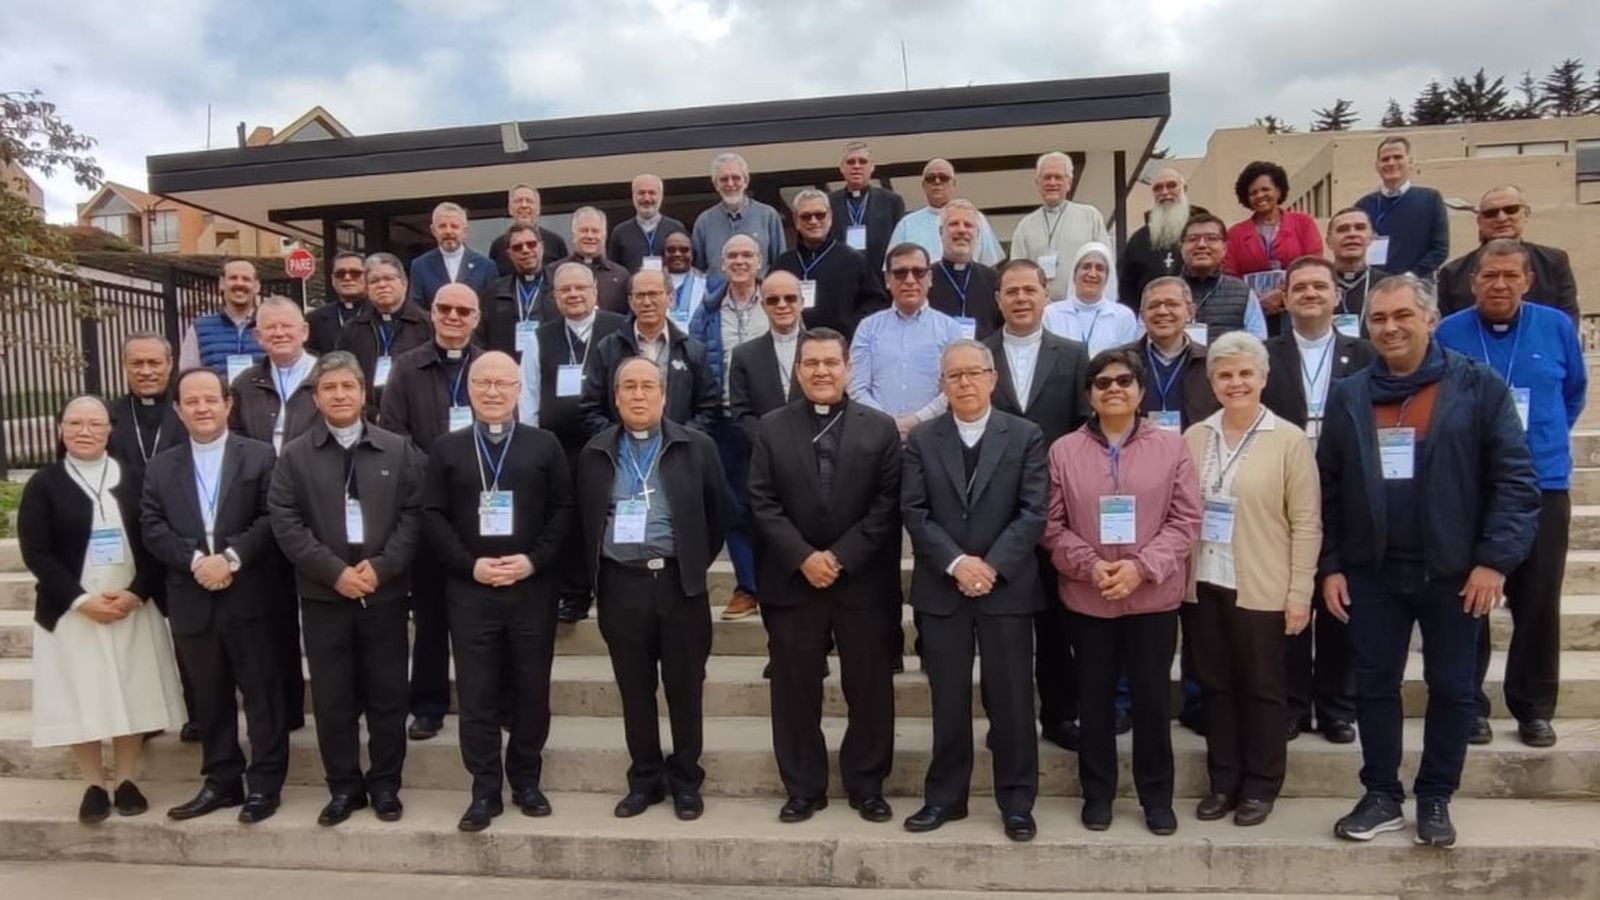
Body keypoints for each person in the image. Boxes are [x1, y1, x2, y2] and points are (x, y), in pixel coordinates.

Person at [1320, 274, 1539, 848]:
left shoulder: (1477, 387)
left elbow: (1514, 482)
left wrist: (1494, 561)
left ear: (1431, 320)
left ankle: (1436, 795)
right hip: (1372, 571)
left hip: (1454, 573)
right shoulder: (1349, 393)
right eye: (1378, 319)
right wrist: (1333, 564)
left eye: (1401, 317)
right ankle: (1381, 794)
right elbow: (1330, 485)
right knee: (1373, 686)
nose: (1389, 328)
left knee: (1452, 688)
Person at [1041, 349, 1201, 834]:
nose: (1114, 389)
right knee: (1093, 700)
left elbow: (1185, 519)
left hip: (1152, 596)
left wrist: (1140, 567)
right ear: (1089, 393)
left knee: (1152, 699)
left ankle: (1156, 797)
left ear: (1139, 389)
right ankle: (1098, 793)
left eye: (1124, 381)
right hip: (1088, 597)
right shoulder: (1063, 451)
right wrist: (1091, 567)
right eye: (1103, 382)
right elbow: (1051, 524)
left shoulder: (1171, 448)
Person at [746, 326, 901, 824]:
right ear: (797, 370)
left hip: (862, 583)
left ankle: (867, 784)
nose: (820, 371)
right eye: (810, 363)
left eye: (830, 363)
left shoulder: (879, 429)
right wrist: (803, 557)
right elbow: (762, 501)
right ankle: (803, 787)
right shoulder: (771, 427)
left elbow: (887, 505)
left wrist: (840, 557)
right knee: (794, 689)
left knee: (870, 687)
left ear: (848, 369)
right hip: (793, 582)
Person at [1435, 240, 1587, 748]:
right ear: (1474, 281)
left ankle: (1534, 706)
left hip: (1542, 482)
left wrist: (1534, 442)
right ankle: (1469, 704)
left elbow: (1573, 392)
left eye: (1509, 276)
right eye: (1488, 277)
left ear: (1527, 281)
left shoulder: (1556, 327)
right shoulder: (1452, 331)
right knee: (1467, 600)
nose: (1498, 285)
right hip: (1469, 484)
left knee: (1538, 599)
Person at [266, 352, 424, 826]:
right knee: (333, 699)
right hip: (324, 597)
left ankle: (385, 785)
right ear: (316, 397)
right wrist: (334, 571)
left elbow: (414, 515)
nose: (339, 395)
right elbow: (285, 520)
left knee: (388, 695)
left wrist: (381, 567)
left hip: (384, 594)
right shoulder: (295, 455)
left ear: (363, 394)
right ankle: (344, 788)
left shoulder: (397, 450)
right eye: (329, 388)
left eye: (347, 387)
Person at [901, 340, 1049, 842]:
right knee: (948, 700)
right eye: (954, 376)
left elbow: (1033, 512)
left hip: (1006, 589)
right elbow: (915, 512)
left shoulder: (1026, 435)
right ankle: (945, 797)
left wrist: (991, 566)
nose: (964, 383)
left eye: (973, 373)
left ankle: (1016, 801)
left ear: (992, 378)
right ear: (942, 386)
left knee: (1011, 700)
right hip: (943, 589)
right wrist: (959, 563)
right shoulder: (922, 441)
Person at [422, 352, 574, 831]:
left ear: (517, 389)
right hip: (471, 590)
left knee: (532, 688)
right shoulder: (446, 449)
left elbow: (564, 511)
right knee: (477, 692)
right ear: (468, 389)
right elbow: (432, 516)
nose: (492, 392)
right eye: (482, 383)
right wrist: (472, 566)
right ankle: (484, 790)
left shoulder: (544, 445)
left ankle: (526, 781)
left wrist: (532, 561)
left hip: (532, 588)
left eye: (502, 383)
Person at [19, 396, 187, 823]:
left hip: (130, 605)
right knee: (85, 696)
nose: (84, 431)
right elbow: (37, 552)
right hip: (73, 610)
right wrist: (80, 600)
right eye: (74, 423)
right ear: (61, 430)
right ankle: (94, 783)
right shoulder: (44, 484)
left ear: (109, 430)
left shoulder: (135, 478)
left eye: (94, 423)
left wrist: (136, 592)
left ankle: (128, 778)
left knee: (131, 690)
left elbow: (155, 539)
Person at [577, 356, 729, 821]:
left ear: (664, 395)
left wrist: (690, 566)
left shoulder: (696, 446)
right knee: (634, 688)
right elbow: (585, 519)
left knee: (684, 686)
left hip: (679, 585)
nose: (638, 395)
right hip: (622, 585)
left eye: (648, 386)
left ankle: (686, 779)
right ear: (615, 396)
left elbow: (719, 514)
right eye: (629, 387)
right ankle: (644, 778)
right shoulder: (595, 451)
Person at [140, 367, 290, 824]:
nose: (202, 408)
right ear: (179, 410)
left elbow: (272, 517)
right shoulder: (162, 465)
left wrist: (230, 558)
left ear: (229, 404)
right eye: (192, 401)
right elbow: (151, 524)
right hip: (192, 594)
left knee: (262, 693)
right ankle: (222, 780)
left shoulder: (262, 456)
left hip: (251, 593)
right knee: (209, 695)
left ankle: (265, 785)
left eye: (211, 399)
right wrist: (195, 562)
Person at [1184, 331, 1320, 828]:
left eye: (1245, 373)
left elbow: (1306, 521)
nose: (1235, 382)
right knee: (1215, 686)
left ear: (1263, 378)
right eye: (1225, 374)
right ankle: (1223, 782)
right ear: (1212, 381)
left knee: (1262, 687)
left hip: (1262, 582)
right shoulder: (1195, 437)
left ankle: (1261, 786)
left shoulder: (1288, 439)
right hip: (1203, 582)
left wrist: (1299, 591)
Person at [1261, 257, 1376, 744]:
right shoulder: (1266, 354)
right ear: (1284, 298)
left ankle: (1336, 706)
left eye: (1319, 286)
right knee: (1289, 598)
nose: (1309, 293)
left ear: (1336, 296)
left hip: (1345, 490)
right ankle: (1291, 703)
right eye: (1299, 286)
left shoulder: (1365, 354)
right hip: (1281, 491)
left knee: (1339, 600)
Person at [984, 259, 1091, 751]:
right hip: (991, 511)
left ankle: (1060, 713)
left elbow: (1081, 428)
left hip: (1054, 510)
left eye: (1030, 289)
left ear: (1046, 296)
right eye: (1012, 291)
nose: (1022, 298)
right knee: (998, 626)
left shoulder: (1072, 354)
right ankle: (1003, 719)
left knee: (1054, 619)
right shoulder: (978, 355)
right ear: (999, 298)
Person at [380, 282, 484, 741]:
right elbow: (394, 434)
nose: (454, 317)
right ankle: (427, 703)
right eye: (445, 308)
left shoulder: (490, 365)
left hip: (483, 507)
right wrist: (442, 472)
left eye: (464, 310)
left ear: (477, 317)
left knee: (481, 614)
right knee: (429, 613)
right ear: (433, 313)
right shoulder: (406, 367)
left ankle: (487, 698)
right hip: (426, 507)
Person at [106, 332, 194, 740]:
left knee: (189, 635)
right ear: (124, 366)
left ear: (170, 364)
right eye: (136, 364)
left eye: (153, 363)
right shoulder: (108, 417)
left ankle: (197, 712)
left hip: (180, 540)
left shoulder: (189, 410)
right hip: (125, 544)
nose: (146, 371)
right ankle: (143, 718)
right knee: (135, 638)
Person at [530, 263, 629, 624]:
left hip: (609, 441)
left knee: (610, 515)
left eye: (580, 288)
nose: (573, 294)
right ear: (555, 297)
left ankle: (612, 591)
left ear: (595, 291)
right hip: (559, 447)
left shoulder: (620, 327)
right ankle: (573, 594)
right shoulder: (540, 336)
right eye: (564, 290)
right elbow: (528, 395)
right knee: (569, 520)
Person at [690, 235, 769, 621]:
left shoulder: (777, 302)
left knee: (778, 503)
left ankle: (778, 582)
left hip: (770, 421)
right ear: (722, 264)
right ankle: (747, 586)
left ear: (760, 261)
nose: (739, 261)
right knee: (734, 507)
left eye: (747, 255)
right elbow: (694, 362)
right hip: (723, 421)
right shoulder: (706, 310)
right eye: (732, 255)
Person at [582, 269, 720, 436]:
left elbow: (709, 407)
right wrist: (618, 440)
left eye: (654, 294)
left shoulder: (692, 351)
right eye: (640, 295)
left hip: (679, 451)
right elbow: (591, 408)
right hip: (622, 452)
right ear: (631, 302)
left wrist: (682, 439)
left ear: (671, 299)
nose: (647, 302)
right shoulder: (607, 349)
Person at [849, 242, 964, 439]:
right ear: (887, 279)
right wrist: (886, 423)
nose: (910, 280)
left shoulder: (950, 329)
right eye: (900, 273)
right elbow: (856, 387)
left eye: (918, 272)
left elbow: (954, 385)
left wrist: (917, 420)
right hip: (876, 436)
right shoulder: (867, 328)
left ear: (929, 278)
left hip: (934, 435)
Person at [1437, 185, 1579, 323]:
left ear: (1525, 214)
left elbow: (1568, 319)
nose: (1502, 218)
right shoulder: (1452, 273)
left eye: (1511, 210)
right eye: (1491, 213)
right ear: (1480, 221)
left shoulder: (1553, 262)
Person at [1223, 161, 1321, 336]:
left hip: (1297, 308)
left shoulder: (1303, 223)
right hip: (1253, 312)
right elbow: (1230, 275)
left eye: (1265, 189)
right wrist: (1256, 301)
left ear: (1278, 190)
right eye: (1253, 193)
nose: (1260, 195)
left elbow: (1314, 264)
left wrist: (1282, 295)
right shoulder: (1235, 233)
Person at [773, 188, 885, 339]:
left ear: (830, 217)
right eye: (806, 216)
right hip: (793, 347)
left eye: (820, 215)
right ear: (796, 221)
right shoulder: (783, 265)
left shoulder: (853, 259)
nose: (814, 221)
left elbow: (875, 303)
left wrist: (852, 327)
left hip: (841, 346)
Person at [339, 253, 433, 416]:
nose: (382, 285)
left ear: (404, 283)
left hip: (418, 414)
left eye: (389, 278)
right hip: (367, 417)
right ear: (367, 288)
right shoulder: (353, 329)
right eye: (374, 281)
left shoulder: (428, 325)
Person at [1009, 152, 1110, 299]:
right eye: (1047, 177)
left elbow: (1105, 262)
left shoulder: (1090, 216)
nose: (1052, 182)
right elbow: (1017, 272)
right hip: (1041, 309)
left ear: (1069, 183)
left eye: (1058, 177)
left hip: (1080, 304)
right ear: (1038, 183)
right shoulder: (1025, 226)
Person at [1129, 277, 1219, 435]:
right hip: (1136, 454)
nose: (1162, 311)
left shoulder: (1212, 362)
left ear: (1190, 312)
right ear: (1142, 316)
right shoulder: (1122, 361)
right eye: (1153, 305)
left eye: (1172, 304)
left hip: (1196, 453)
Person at [229, 296, 319, 453]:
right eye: (270, 327)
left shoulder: (328, 377)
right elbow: (235, 437)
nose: (279, 333)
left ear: (304, 332)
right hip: (260, 474)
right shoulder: (244, 384)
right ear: (258, 336)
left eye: (286, 326)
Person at [1354, 136, 1450, 279]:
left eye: (1397, 157)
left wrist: (1410, 276)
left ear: (1410, 162)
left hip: (1418, 286)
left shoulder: (1430, 199)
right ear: (1377, 166)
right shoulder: (1363, 206)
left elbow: (1440, 249)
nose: (1391, 163)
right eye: (1385, 159)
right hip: (1375, 287)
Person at [888, 159, 1004, 267]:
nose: (937, 182)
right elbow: (892, 268)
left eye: (943, 178)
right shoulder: (907, 224)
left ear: (953, 184)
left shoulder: (975, 218)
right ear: (923, 186)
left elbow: (990, 264)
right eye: (931, 178)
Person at [1119, 167, 1204, 309]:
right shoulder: (1139, 240)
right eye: (1158, 188)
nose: (1165, 192)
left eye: (1171, 186)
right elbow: (1126, 290)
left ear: (1184, 189)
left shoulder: (1203, 233)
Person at [690, 152, 786, 271]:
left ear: (745, 181)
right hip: (716, 290)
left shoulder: (768, 216)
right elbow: (698, 270)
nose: (730, 184)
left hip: (760, 289)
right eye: (724, 179)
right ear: (716, 185)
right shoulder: (704, 221)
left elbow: (780, 264)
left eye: (736, 178)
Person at [1042, 241, 1140, 357]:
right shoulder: (1051, 314)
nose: (1092, 274)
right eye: (1086, 267)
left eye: (1099, 268)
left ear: (1107, 277)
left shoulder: (1123, 316)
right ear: (1074, 274)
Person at [1180, 214, 1267, 341]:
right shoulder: (1164, 292)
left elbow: (1259, 341)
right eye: (1193, 239)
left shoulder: (1243, 293)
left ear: (1224, 248)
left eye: (1211, 238)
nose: (1202, 245)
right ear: (1181, 248)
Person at [177, 258, 263, 381]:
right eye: (233, 278)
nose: (239, 283)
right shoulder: (199, 328)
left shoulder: (270, 328)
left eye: (246, 279)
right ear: (221, 283)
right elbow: (187, 377)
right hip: (215, 399)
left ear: (257, 286)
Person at [927, 200, 1002, 340]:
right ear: (940, 232)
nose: (961, 230)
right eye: (954, 224)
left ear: (977, 233)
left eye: (968, 225)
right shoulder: (925, 278)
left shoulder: (993, 279)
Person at [828, 141, 906, 273]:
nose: (857, 166)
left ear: (872, 167)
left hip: (879, 279)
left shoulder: (891, 201)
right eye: (851, 162)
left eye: (862, 161)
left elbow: (899, 246)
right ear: (841, 168)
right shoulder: (828, 202)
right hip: (841, 278)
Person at [407, 202, 498, 309]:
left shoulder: (486, 267)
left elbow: (492, 309)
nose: (448, 231)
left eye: (454, 226)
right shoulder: (420, 266)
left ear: (465, 231)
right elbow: (416, 309)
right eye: (442, 226)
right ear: (433, 231)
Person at [481, 223, 553, 356]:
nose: (525, 250)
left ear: (541, 247)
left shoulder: (559, 287)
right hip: (508, 367)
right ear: (509, 254)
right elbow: (482, 337)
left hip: (548, 364)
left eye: (531, 244)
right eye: (517, 247)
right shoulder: (494, 292)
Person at [608, 174, 689, 274]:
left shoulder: (676, 229)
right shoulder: (620, 232)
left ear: (661, 196)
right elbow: (614, 272)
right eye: (641, 193)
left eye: (652, 193)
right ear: (633, 196)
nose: (646, 198)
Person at [1326, 207, 1387, 333]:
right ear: (1329, 242)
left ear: (1372, 238)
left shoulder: (1388, 285)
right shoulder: (1315, 284)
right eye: (1342, 229)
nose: (1352, 234)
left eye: (1360, 228)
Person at [562, 206, 631, 314]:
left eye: (595, 231)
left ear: (604, 235)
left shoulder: (621, 275)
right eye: (584, 230)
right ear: (573, 234)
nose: (590, 236)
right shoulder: (555, 272)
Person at [488, 183, 569, 275]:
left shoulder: (556, 242)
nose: (524, 205)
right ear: (510, 209)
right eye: (518, 201)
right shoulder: (498, 245)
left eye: (529, 201)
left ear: (538, 209)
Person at [308, 251, 367, 354]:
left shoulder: (379, 313)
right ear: (333, 279)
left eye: (355, 273)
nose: (347, 278)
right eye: (340, 274)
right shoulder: (315, 319)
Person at [664, 231, 722, 332]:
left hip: (696, 344)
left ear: (693, 253)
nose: (677, 254)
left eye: (684, 250)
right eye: (671, 250)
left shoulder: (706, 284)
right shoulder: (651, 282)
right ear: (663, 253)